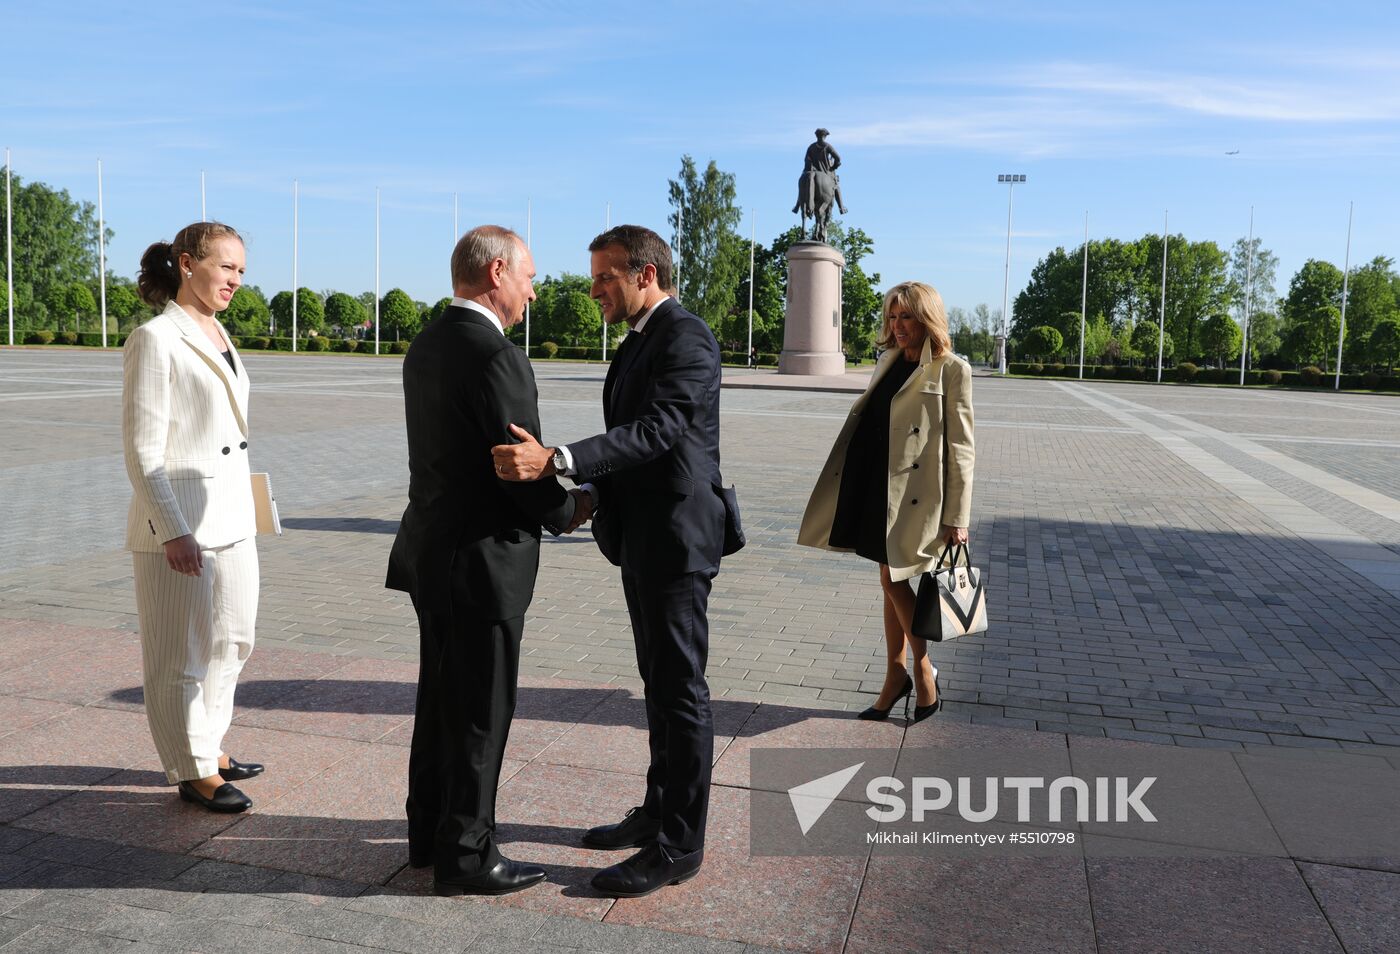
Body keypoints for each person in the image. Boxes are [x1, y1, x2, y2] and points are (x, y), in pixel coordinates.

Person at [492, 225, 733, 898]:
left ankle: (679, 844)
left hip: (679, 542)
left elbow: (659, 431)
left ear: (646, 275)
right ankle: (658, 811)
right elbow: (645, 451)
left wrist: (560, 460)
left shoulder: (685, 337)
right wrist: (593, 495)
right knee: (660, 683)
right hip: (646, 537)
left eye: (605, 276)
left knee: (681, 692)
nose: (594, 287)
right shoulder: (641, 340)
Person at [386, 225, 590, 897]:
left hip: (431, 551)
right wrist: (572, 510)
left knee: (438, 700)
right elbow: (515, 468)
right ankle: (468, 855)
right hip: (482, 563)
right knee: (479, 711)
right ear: (497, 272)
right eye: (529, 276)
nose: (534, 290)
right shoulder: (496, 355)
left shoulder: (428, 342)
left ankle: (427, 833)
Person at [124, 222, 263, 814]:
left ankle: (209, 742)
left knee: (233, 640)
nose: (236, 279)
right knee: (177, 653)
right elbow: (142, 450)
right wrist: (172, 528)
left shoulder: (219, 330)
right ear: (187, 263)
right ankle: (192, 767)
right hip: (179, 525)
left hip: (233, 515)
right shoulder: (155, 339)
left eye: (240, 271)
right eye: (227, 267)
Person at [797, 281, 974, 723]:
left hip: (917, 497)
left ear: (927, 318)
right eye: (892, 317)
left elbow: (962, 448)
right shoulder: (888, 361)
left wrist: (957, 516)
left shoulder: (951, 369)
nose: (897, 326)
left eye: (906, 317)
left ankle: (921, 669)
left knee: (894, 580)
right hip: (875, 488)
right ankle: (897, 674)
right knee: (888, 577)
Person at [792, 127, 848, 216]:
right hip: (826, 172)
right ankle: (841, 208)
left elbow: (806, 160)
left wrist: (808, 169)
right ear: (825, 136)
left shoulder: (811, 147)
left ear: (817, 136)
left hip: (811, 170)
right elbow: (838, 158)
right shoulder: (827, 146)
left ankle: (797, 206)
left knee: (803, 186)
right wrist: (834, 166)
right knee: (836, 186)